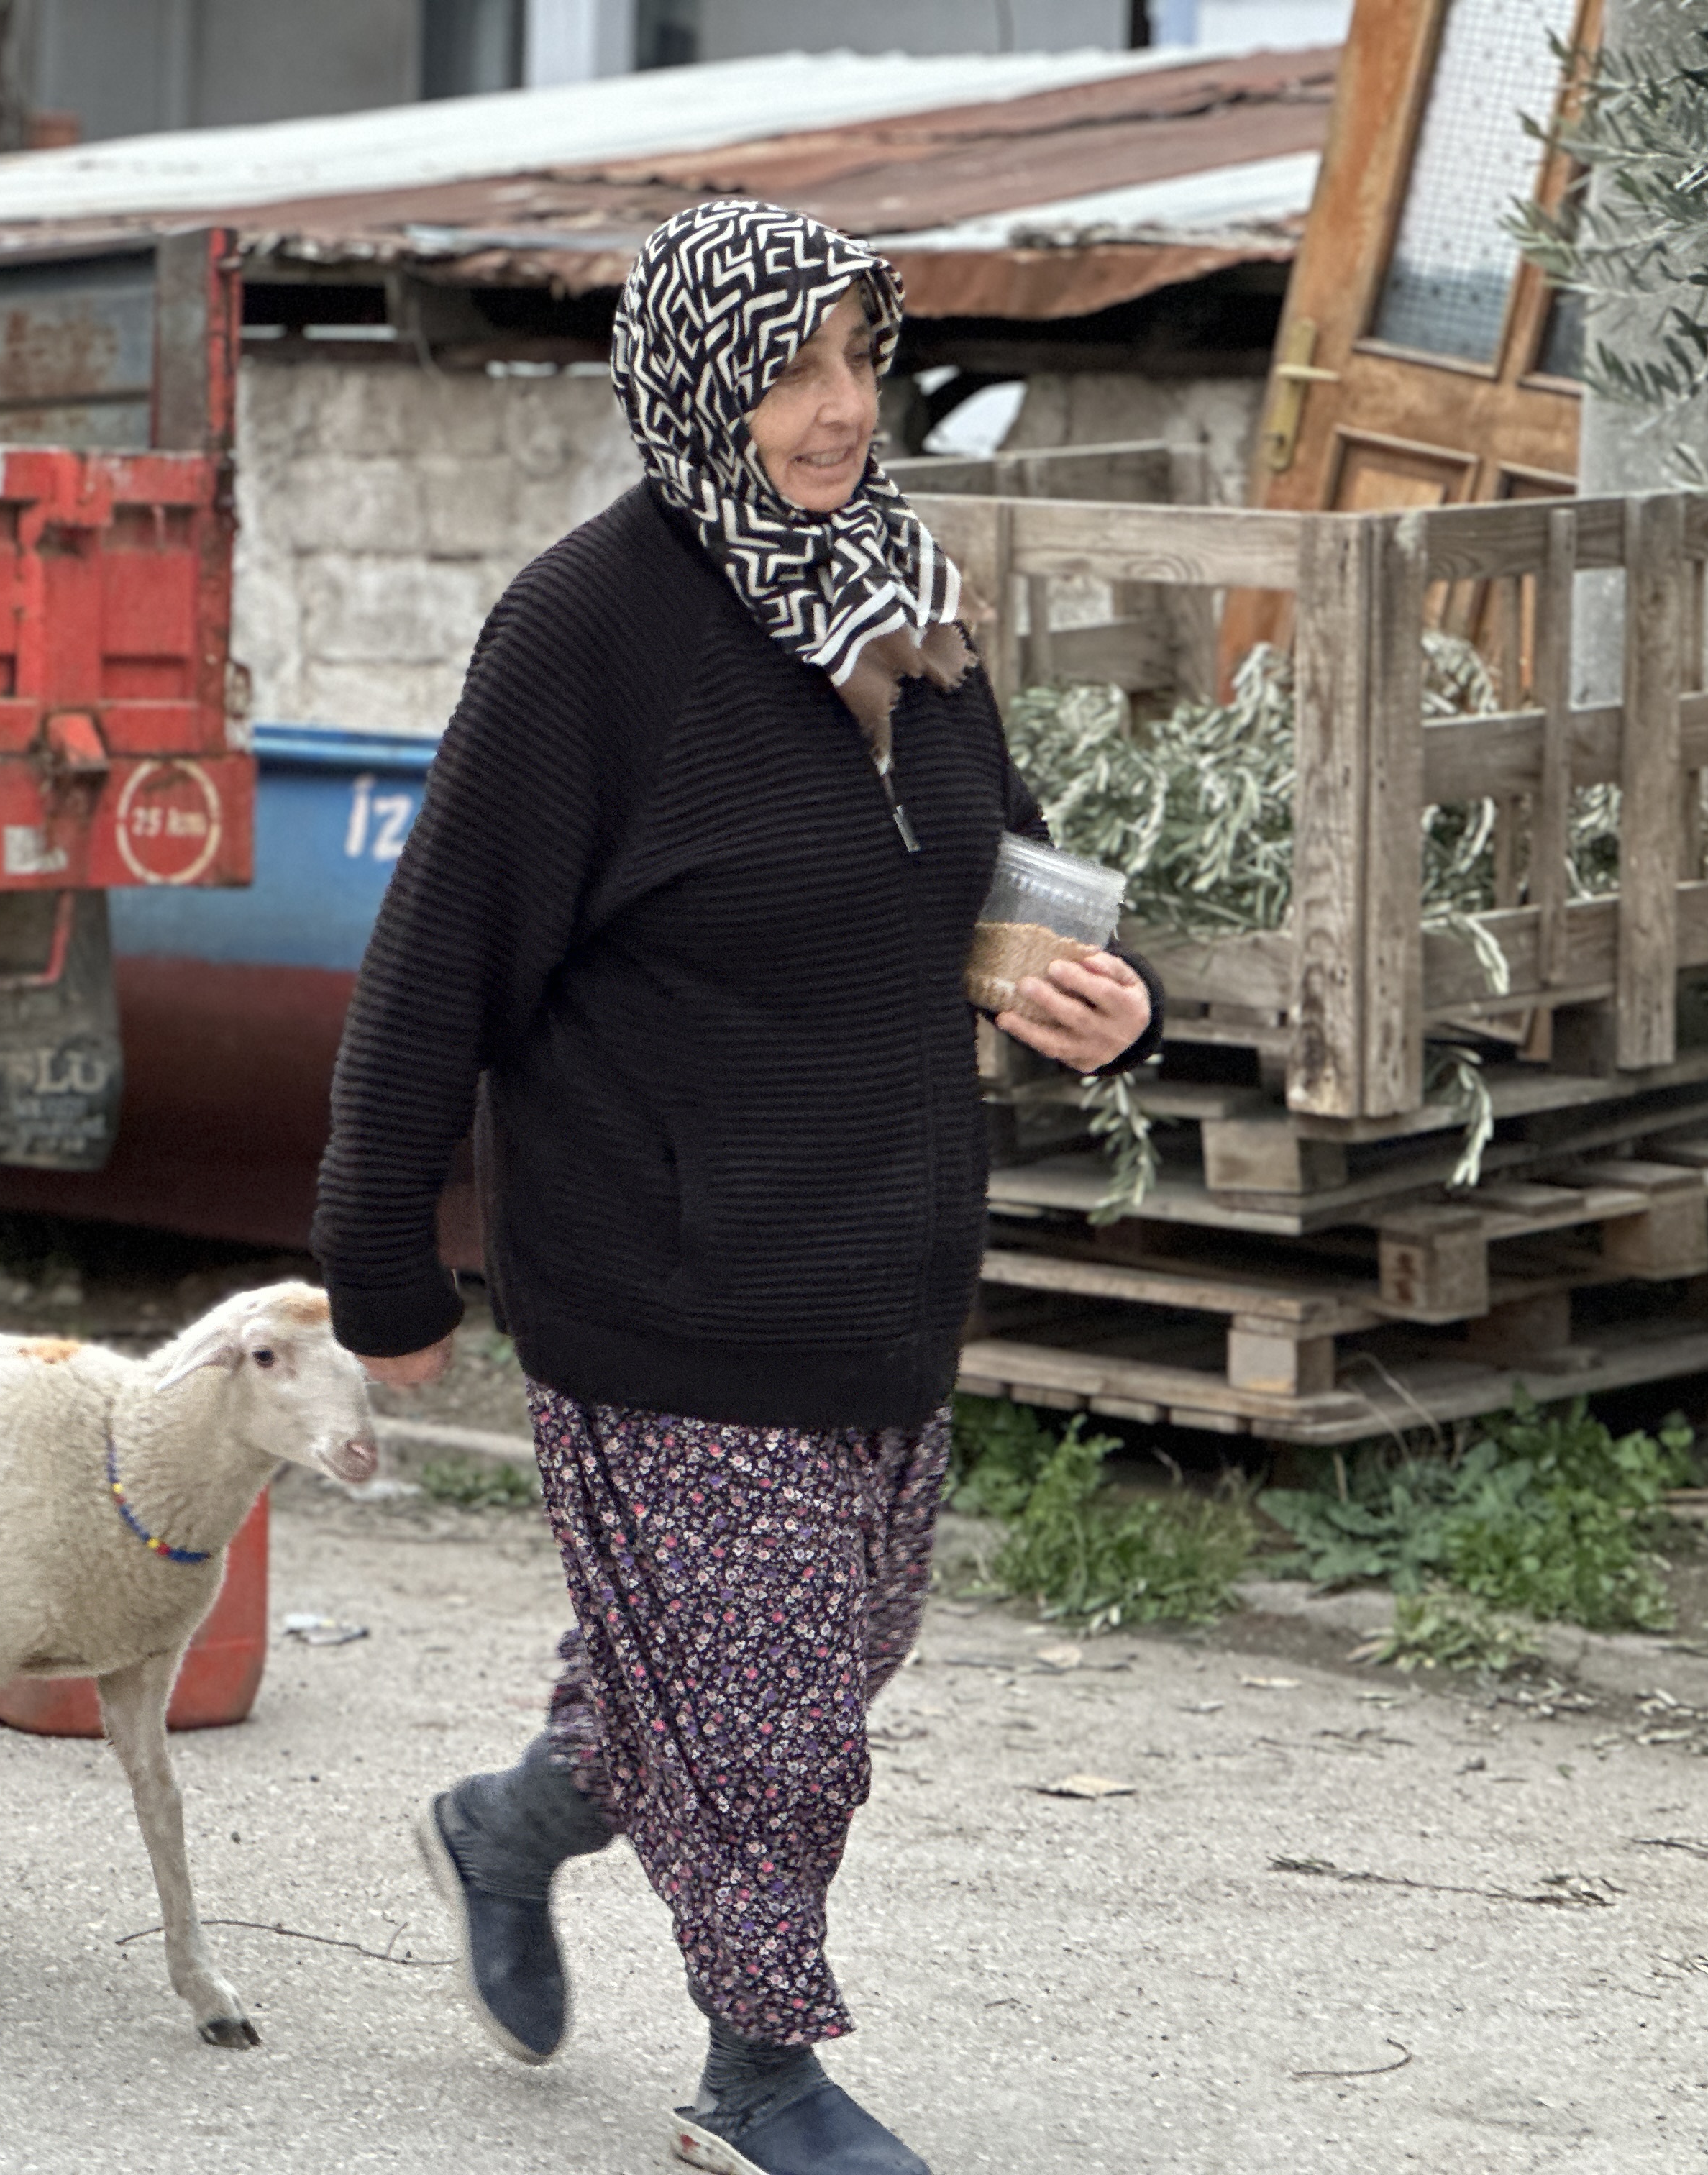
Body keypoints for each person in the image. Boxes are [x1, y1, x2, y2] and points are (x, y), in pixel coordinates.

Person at [311, 200, 1159, 2175]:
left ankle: (508, 1825)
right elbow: (436, 966)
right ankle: (759, 2077)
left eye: (862, 358)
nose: (840, 406)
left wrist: (1090, 990)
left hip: (882, 1264)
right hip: (662, 1278)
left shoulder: (898, 597)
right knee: (774, 1726)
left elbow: (996, 870)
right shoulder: (585, 634)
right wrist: (384, 1275)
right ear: (698, 380)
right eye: (793, 368)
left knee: (800, 1661)